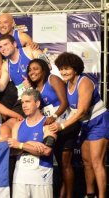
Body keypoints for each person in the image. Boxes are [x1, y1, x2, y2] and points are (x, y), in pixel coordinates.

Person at [50, 52, 109, 198]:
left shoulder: (85, 82)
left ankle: (102, 196)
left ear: (75, 69)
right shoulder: (68, 83)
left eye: (67, 68)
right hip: (85, 124)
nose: (63, 72)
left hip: (98, 121)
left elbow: (82, 111)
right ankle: (90, 194)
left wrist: (62, 126)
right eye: (61, 69)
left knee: (96, 161)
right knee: (87, 161)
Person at [27, 58, 81, 198]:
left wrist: (55, 116)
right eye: (30, 70)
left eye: (36, 69)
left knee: (65, 163)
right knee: (60, 166)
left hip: (67, 124)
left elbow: (65, 102)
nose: (32, 72)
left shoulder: (53, 79)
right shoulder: (34, 89)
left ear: (44, 70)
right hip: (53, 129)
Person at [8, 89, 57, 198]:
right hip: (20, 178)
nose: (24, 106)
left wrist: (21, 145)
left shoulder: (48, 124)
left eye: (28, 102)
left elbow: (46, 150)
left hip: (41, 178)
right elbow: (12, 150)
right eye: (22, 103)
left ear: (38, 103)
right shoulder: (17, 125)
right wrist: (30, 144)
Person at [0, 34, 44, 115]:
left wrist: (32, 81)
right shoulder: (5, 65)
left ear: (14, 44)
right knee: (14, 121)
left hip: (40, 92)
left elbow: (47, 66)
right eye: (0, 47)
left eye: (5, 44)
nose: (3, 48)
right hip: (23, 98)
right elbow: (1, 86)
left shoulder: (30, 50)